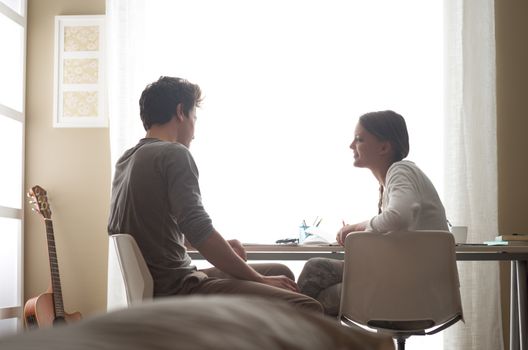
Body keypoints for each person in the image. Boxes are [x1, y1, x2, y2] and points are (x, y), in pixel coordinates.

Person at [108, 76, 322, 313]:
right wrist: (259, 281)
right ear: (181, 112)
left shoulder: (127, 160)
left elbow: (158, 230)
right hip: (179, 288)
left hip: (162, 283)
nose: (194, 132)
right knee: (307, 307)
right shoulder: (173, 154)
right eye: (194, 118)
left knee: (280, 273)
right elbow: (197, 227)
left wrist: (224, 248)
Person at [297, 110, 448, 315]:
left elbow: (399, 217)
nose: (351, 146)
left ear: (384, 147)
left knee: (315, 272)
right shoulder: (394, 181)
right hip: (416, 286)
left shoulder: (400, 171)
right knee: (318, 297)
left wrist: (357, 227)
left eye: (359, 139)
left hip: (407, 290)